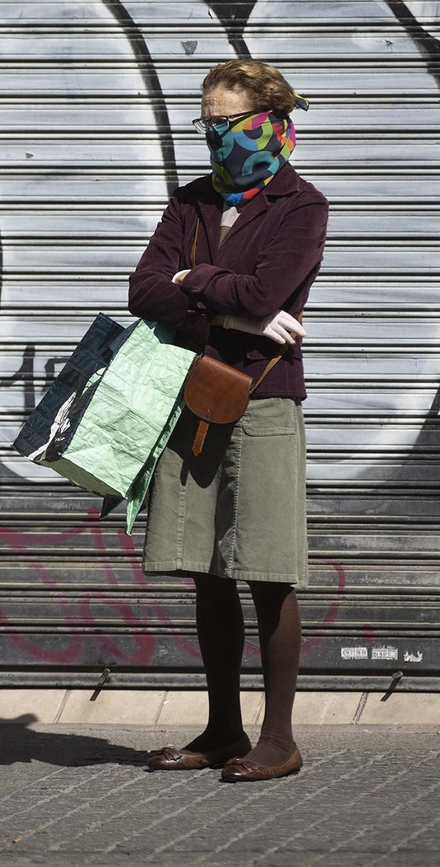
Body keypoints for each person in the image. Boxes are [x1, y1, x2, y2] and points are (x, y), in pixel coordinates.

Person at [127, 59, 328, 783]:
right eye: (206, 122)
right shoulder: (191, 202)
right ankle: (222, 727)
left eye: (227, 123)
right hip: (194, 396)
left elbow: (271, 286)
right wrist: (232, 306)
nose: (214, 136)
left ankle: (279, 737)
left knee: (267, 570)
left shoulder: (301, 206)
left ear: (271, 122)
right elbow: (142, 288)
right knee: (207, 570)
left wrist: (195, 280)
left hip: (266, 400)